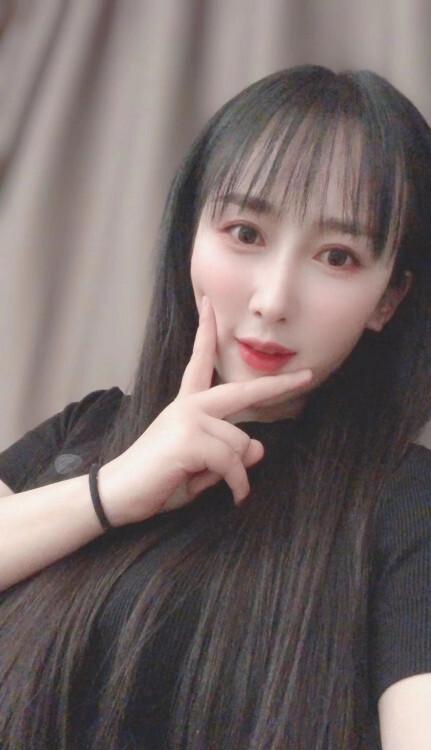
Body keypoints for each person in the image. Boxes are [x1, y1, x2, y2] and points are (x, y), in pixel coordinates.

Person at [0, 64, 430, 750]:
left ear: (388, 299)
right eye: (246, 234)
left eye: (337, 256)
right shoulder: (87, 432)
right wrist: (113, 491)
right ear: (190, 237)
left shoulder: (406, 508)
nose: (273, 299)